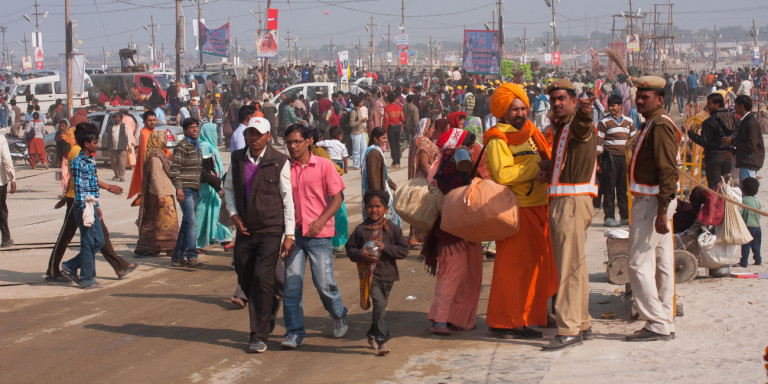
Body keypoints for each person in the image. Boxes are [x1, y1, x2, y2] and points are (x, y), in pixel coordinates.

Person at [483, 83, 558, 339]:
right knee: (514, 269)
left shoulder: (530, 132)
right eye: (515, 109)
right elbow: (503, 174)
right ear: (502, 111)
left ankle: (529, 315)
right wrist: (535, 168)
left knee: (537, 267)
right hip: (518, 210)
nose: (521, 113)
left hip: (539, 206)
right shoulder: (497, 138)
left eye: (524, 108)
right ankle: (509, 321)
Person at [223, 116, 294, 354]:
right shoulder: (237, 159)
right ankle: (271, 304)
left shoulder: (279, 161)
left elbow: (288, 199)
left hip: (271, 229)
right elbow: (229, 190)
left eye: (258, 134)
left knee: (262, 278)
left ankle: (258, 334)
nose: (253, 138)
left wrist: (289, 234)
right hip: (245, 228)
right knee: (244, 273)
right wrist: (233, 215)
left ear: (268, 136)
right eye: (250, 134)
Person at [538, 79, 598, 351]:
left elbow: (585, 128)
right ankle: (581, 322)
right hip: (568, 200)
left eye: (562, 98)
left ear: (574, 101)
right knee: (576, 266)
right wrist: (550, 167)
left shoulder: (576, 123)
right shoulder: (562, 128)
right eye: (553, 100)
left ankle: (569, 328)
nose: (557, 104)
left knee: (567, 269)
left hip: (570, 202)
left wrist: (586, 113)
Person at [282, 123, 348, 349]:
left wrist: (321, 221)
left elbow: (337, 198)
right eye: (289, 142)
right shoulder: (284, 169)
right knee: (291, 285)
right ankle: (294, 332)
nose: (292, 146)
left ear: (308, 141)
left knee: (323, 283)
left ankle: (339, 314)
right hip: (294, 235)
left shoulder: (324, 165)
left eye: (296, 141)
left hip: (319, 235)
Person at [625, 76, 681, 342]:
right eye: (638, 95)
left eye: (645, 97)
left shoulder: (659, 126)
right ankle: (666, 318)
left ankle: (656, 323)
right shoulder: (652, 124)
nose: (639, 100)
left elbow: (667, 170)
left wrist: (661, 210)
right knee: (662, 262)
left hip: (653, 202)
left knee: (638, 264)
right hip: (655, 202)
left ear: (659, 99)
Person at [46, 123, 136, 280]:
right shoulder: (76, 152)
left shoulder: (85, 154)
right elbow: (81, 178)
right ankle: (56, 269)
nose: (98, 144)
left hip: (86, 199)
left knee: (101, 236)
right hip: (79, 200)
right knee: (68, 236)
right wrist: (108, 187)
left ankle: (119, 266)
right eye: (95, 140)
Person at [425, 128, 483, 335]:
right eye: (468, 146)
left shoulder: (441, 164)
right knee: (453, 278)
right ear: (459, 146)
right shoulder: (457, 167)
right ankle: (441, 320)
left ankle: (441, 316)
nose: (471, 151)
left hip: (441, 232)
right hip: (454, 236)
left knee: (444, 276)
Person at [345, 190, 409, 356]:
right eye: (370, 206)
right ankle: (382, 340)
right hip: (369, 276)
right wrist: (362, 254)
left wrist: (386, 247)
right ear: (365, 208)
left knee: (380, 308)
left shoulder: (393, 230)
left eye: (378, 206)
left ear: (386, 208)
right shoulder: (360, 230)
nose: (374, 210)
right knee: (380, 305)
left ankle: (371, 333)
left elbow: (404, 251)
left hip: (388, 275)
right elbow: (350, 249)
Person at [134, 131, 179, 256]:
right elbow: (155, 177)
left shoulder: (160, 155)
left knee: (158, 223)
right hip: (161, 194)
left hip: (165, 192)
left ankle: (163, 247)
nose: (165, 141)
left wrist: (168, 161)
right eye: (163, 138)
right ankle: (169, 247)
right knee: (167, 223)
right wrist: (160, 195)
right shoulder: (155, 157)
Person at [682, 93, 737, 189]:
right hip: (728, 156)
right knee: (726, 186)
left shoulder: (709, 121)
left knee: (714, 187)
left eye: (709, 104)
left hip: (714, 157)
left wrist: (689, 132)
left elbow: (704, 142)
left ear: (717, 105)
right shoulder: (733, 118)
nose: (707, 106)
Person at [169, 118, 204, 268]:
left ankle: (177, 256)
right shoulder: (182, 146)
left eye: (196, 127)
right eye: (191, 128)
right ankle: (192, 255)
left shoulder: (196, 146)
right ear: (185, 130)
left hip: (195, 188)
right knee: (191, 223)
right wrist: (178, 188)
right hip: (186, 189)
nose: (195, 130)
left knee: (187, 222)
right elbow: (175, 169)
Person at [597, 94, 635, 227]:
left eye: (613, 106)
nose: (611, 108)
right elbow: (599, 143)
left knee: (623, 188)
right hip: (610, 159)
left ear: (620, 106)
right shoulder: (604, 122)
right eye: (610, 105)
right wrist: (598, 162)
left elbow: (632, 141)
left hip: (624, 159)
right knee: (609, 188)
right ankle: (609, 217)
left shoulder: (629, 122)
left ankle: (625, 216)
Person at [195, 122, 232, 251]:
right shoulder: (205, 148)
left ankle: (224, 240)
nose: (217, 134)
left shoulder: (210, 146)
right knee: (203, 215)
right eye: (214, 131)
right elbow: (206, 171)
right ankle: (197, 244)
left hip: (212, 186)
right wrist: (218, 188)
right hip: (207, 187)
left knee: (216, 213)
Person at [407, 118, 438, 249]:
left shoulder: (415, 140)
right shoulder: (424, 143)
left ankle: (414, 237)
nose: (433, 131)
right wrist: (434, 177)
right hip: (423, 179)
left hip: (415, 179)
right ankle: (417, 238)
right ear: (426, 129)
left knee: (416, 208)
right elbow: (425, 165)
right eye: (432, 128)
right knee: (422, 208)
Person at [361, 127, 400, 226]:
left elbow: (383, 174)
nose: (386, 141)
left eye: (386, 138)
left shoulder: (376, 151)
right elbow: (373, 176)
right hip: (378, 193)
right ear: (375, 138)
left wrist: (394, 186)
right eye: (383, 138)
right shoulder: (373, 152)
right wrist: (376, 196)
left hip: (380, 192)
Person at [128, 111, 167, 206]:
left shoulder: (152, 132)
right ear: (144, 122)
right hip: (150, 167)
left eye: (154, 120)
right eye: (149, 120)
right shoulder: (145, 134)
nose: (152, 122)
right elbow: (148, 154)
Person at [725, 95, 765, 185]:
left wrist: (733, 141)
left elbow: (750, 145)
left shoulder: (750, 123)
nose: (735, 107)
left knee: (747, 191)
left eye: (736, 105)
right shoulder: (746, 121)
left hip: (749, 163)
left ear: (741, 106)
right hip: (747, 161)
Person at [736, 177, 761, 268]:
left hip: (748, 227)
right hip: (757, 226)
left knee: (746, 246)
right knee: (756, 245)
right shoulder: (757, 201)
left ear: (743, 190)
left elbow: (740, 214)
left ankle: (743, 262)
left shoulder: (744, 201)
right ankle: (758, 260)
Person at [0, 131, 16, 247]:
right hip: (0, 183)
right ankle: (5, 239)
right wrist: (13, 179)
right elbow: (6, 160)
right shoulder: (1, 139)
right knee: (1, 211)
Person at [103, 112, 129, 182]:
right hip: (113, 147)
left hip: (122, 146)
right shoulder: (111, 127)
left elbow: (128, 136)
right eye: (115, 117)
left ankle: (121, 176)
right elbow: (108, 137)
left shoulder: (124, 126)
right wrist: (108, 146)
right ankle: (116, 174)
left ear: (121, 119)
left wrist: (129, 145)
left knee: (122, 162)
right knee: (114, 162)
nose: (116, 119)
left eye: (118, 117)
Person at [383, 93, 405, 167]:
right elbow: (403, 118)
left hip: (390, 127)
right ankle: (398, 162)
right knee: (397, 144)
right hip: (397, 126)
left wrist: (385, 130)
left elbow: (386, 120)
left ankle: (395, 162)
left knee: (392, 145)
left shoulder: (387, 108)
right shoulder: (399, 107)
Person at [55, 119, 76, 195]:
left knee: (72, 175)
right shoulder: (59, 135)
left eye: (63, 126)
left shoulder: (71, 133)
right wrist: (58, 160)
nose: (62, 127)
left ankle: (71, 191)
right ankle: (64, 191)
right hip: (64, 157)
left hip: (73, 157)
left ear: (67, 126)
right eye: (60, 126)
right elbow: (58, 148)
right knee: (64, 174)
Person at [348, 96, 369, 170]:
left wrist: (364, 127)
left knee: (364, 148)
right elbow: (351, 124)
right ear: (358, 103)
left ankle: (363, 163)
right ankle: (356, 164)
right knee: (356, 149)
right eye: (361, 102)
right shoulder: (353, 112)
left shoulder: (359, 110)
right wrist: (360, 121)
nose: (362, 103)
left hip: (362, 132)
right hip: (356, 133)